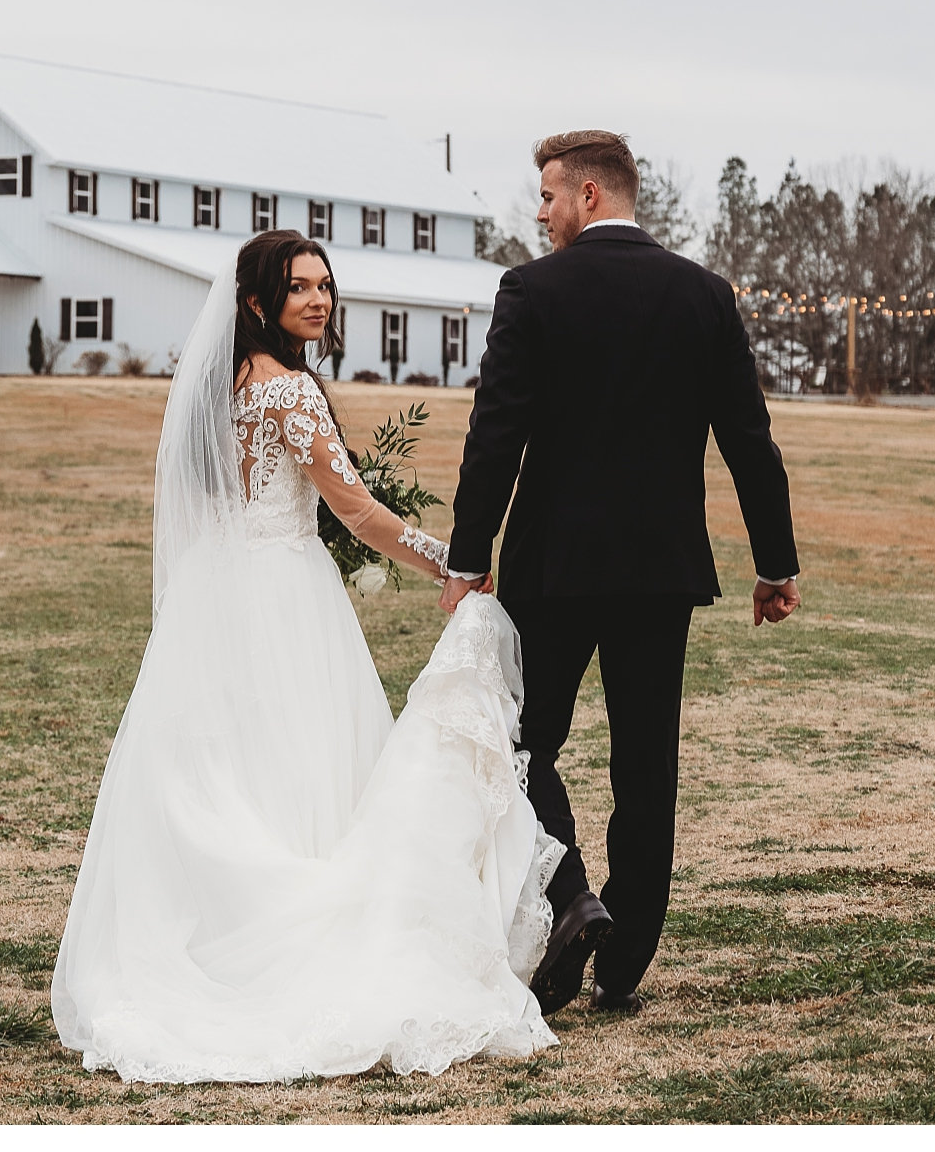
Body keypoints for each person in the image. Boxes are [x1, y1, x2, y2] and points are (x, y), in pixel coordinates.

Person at [50, 230, 563, 1084]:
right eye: (300, 289)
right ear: (259, 303)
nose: (318, 300)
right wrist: (452, 561)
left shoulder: (224, 386)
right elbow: (356, 511)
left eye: (325, 285)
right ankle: (291, 937)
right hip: (285, 592)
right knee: (299, 758)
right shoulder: (288, 391)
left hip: (218, 593)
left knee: (224, 765)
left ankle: (215, 937)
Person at [442, 130, 802, 1018]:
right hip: (658, 571)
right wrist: (774, 562)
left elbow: (496, 436)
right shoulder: (704, 296)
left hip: (550, 568)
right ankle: (622, 965)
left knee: (524, 745)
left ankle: (570, 898)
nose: (540, 212)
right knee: (649, 766)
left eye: (549, 195)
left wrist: (466, 559)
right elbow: (747, 439)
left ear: (591, 196)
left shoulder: (532, 290)